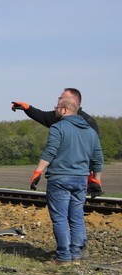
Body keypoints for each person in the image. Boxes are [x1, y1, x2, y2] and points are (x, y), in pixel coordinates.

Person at [30, 96, 103, 264]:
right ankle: (76, 255)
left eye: (56, 107)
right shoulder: (90, 132)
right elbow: (98, 158)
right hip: (81, 180)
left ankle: (63, 257)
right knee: (77, 217)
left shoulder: (58, 127)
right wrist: (96, 180)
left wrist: (37, 172)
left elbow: (50, 151)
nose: (55, 110)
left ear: (64, 110)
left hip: (59, 179)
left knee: (60, 218)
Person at [11, 87, 100, 135]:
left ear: (73, 101)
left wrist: (92, 167)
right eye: (59, 98)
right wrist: (28, 108)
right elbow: (42, 116)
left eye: (61, 98)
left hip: (80, 168)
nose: (58, 100)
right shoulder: (58, 117)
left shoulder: (88, 122)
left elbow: (95, 148)